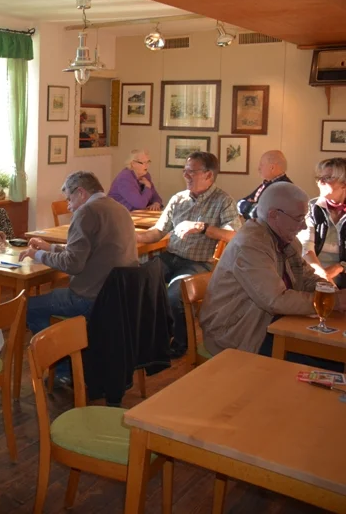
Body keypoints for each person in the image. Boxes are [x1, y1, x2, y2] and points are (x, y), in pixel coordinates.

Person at [200, 183, 344, 371]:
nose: (303, 226)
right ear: (274, 215)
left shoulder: (286, 240)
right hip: (237, 335)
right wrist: (334, 301)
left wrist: (331, 293)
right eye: (299, 218)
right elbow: (276, 300)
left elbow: (308, 278)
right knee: (329, 363)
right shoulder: (250, 245)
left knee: (334, 355)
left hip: (268, 324)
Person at [20, 171, 139, 381]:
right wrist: (51, 248)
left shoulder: (86, 213)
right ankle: (74, 355)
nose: (69, 206)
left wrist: (37, 255)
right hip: (120, 297)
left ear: (81, 193)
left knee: (28, 306)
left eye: (69, 199)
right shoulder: (119, 209)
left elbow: (73, 265)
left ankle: (65, 368)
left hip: (91, 299)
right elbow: (90, 251)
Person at [136, 151, 241, 357]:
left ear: (209, 175)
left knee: (175, 295)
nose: (185, 176)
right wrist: (133, 236)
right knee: (136, 282)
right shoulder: (179, 199)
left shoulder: (223, 201)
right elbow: (158, 232)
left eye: (191, 172)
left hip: (199, 264)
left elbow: (234, 235)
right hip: (170, 258)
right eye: (185, 171)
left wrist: (202, 227)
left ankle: (181, 342)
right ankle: (150, 336)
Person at [299, 158, 346, 288]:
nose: (320, 182)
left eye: (327, 178)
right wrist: (325, 278)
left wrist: (340, 267)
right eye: (319, 178)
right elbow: (306, 250)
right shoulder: (311, 208)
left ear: (344, 184)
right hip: (314, 277)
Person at [237, 150, 291, 218]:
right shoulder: (267, 183)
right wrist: (252, 205)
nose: (259, 168)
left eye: (261, 165)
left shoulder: (283, 188)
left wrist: (249, 206)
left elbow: (263, 215)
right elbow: (239, 203)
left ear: (272, 168)